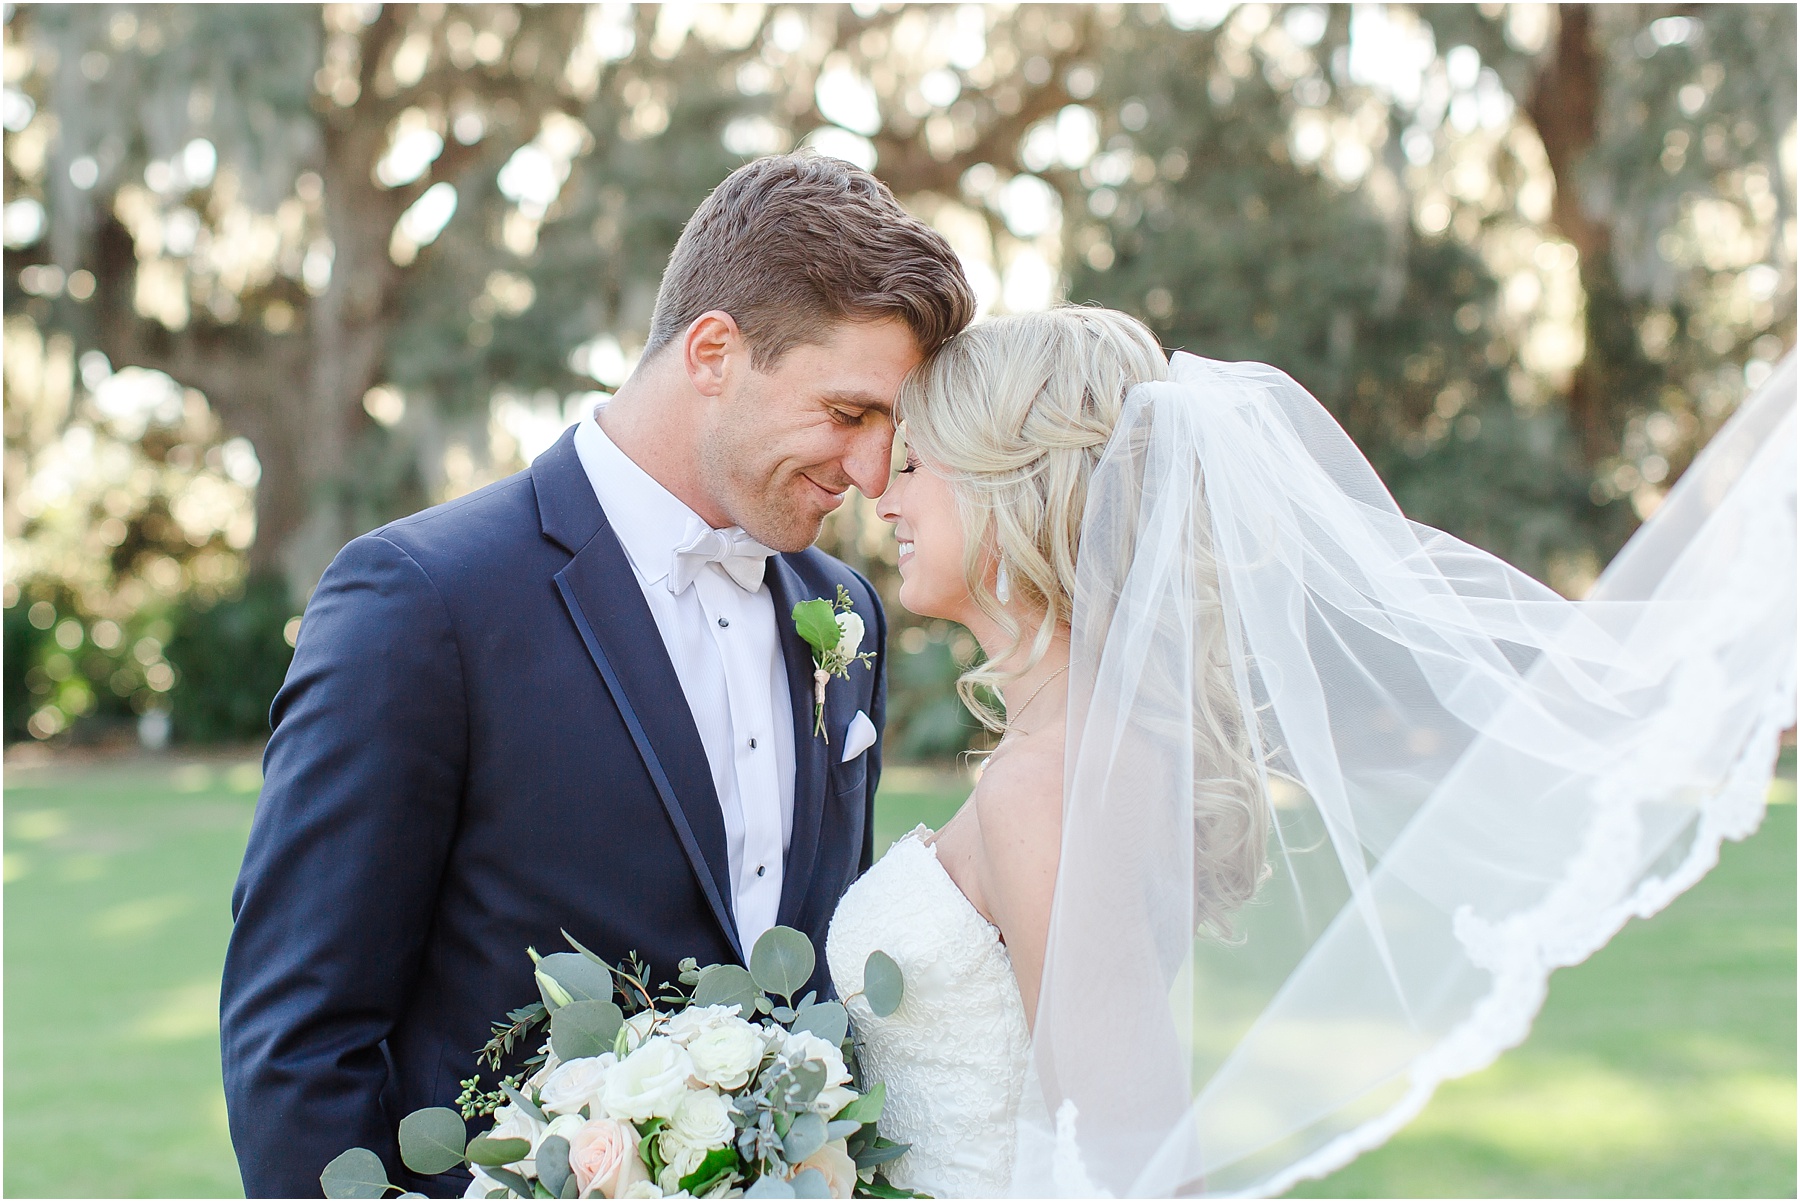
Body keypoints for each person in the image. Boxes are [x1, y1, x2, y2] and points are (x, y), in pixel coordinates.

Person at [827, 306, 1795, 1197]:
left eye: (915, 466)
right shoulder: (1086, 751)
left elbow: (1128, 1155)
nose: (885, 501)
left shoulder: (1045, 783)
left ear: (1011, 487)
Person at [219, 153, 974, 1198]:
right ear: (713, 351)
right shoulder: (423, 601)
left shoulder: (845, 612)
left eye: (895, 427)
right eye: (849, 414)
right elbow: (297, 1038)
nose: (874, 470)